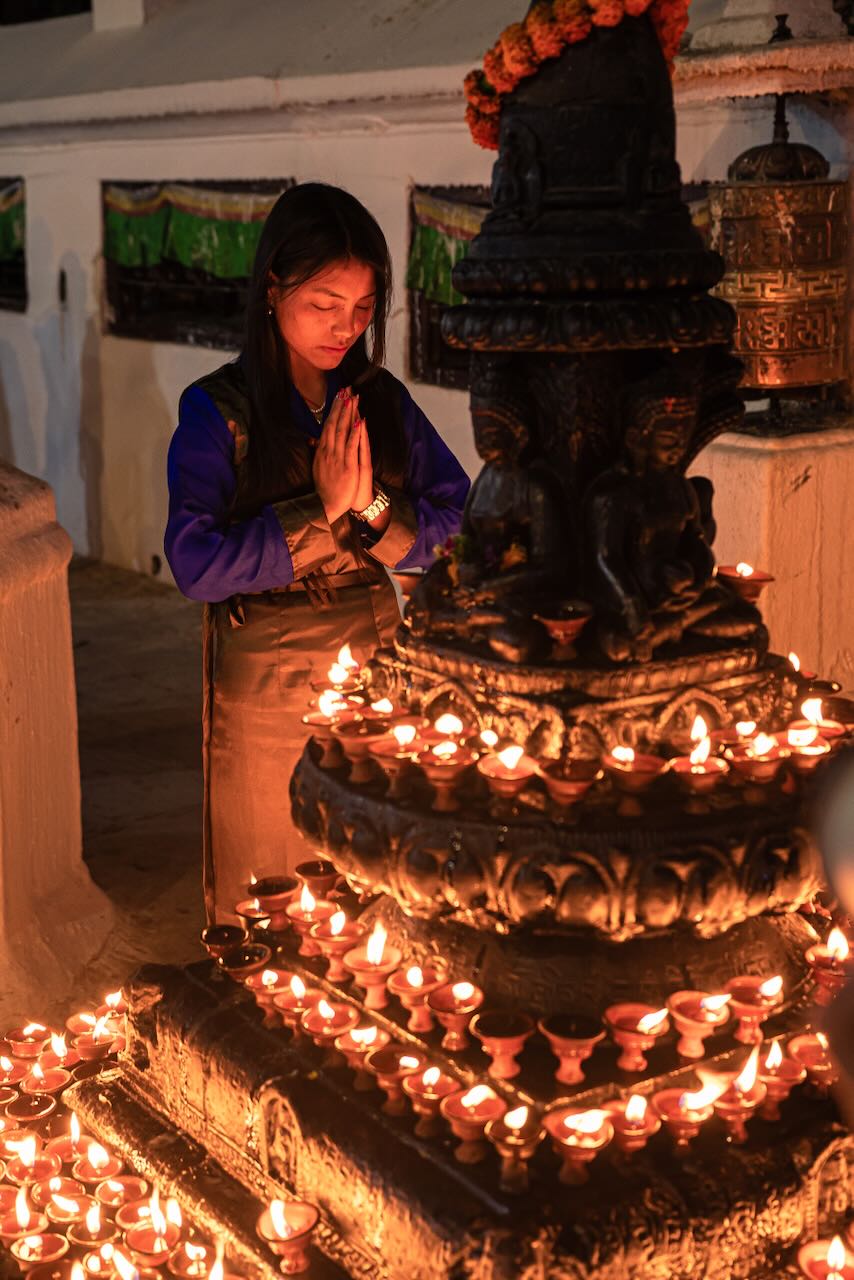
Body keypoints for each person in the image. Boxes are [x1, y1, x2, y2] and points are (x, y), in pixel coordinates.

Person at [164, 183, 470, 923]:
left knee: (371, 865)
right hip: (266, 676)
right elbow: (196, 564)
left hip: (374, 654)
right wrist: (321, 513)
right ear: (273, 288)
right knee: (271, 872)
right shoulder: (221, 412)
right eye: (325, 303)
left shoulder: (382, 401)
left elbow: (457, 525)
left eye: (363, 308)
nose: (346, 326)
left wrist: (368, 510)